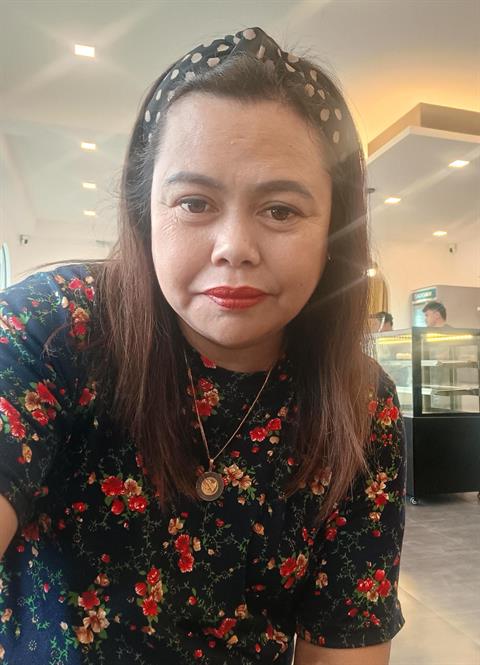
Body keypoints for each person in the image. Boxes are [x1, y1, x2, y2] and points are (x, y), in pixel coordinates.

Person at [0, 27, 405, 665]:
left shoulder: (361, 401)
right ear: (145, 213)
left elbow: (345, 642)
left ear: (334, 229)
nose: (233, 247)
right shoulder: (55, 325)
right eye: (194, 202)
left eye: (280, 210)